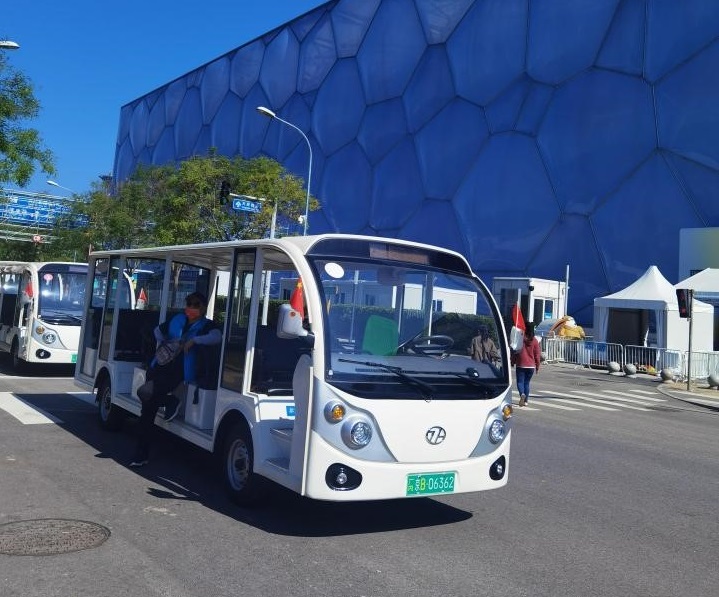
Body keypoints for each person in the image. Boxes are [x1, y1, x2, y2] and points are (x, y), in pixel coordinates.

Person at [130, 292, 222, 467]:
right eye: (188, 304)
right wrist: (167, 343)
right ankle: (141, 454)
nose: (190, 308)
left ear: (202, 308)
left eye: (195, 305)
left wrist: (194, 340)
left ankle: (170, 401)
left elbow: (217, 337)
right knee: (147, 409)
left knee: (145, 393)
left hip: (179, 371)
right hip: (159, 365)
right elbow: (157, 331)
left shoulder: (207, 325)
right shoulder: (177, 319)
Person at [511, 323, 541, 407]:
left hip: (521, 364)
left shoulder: (521, 338)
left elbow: (515, 351)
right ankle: (526, 401)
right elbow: (537, 354)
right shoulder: (535, 340)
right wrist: (537, 366)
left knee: (520, 382)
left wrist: (512, 361)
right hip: (531, 366)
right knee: (527, 383)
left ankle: (522, 395)